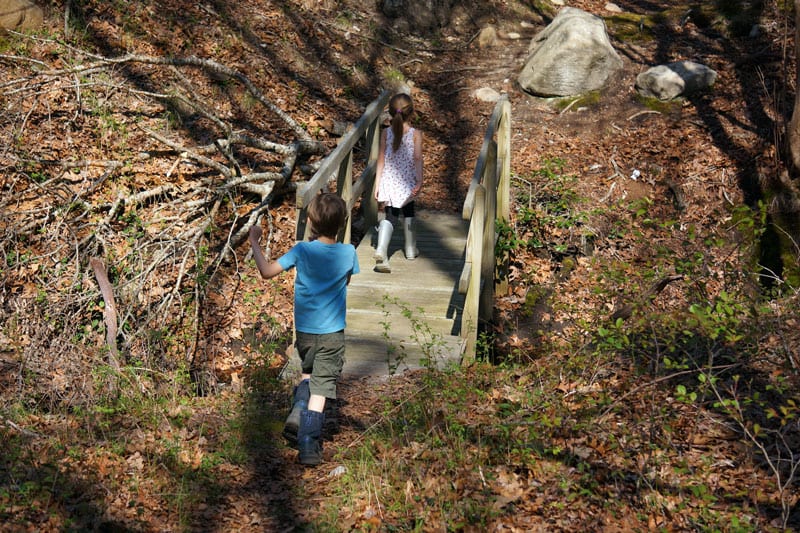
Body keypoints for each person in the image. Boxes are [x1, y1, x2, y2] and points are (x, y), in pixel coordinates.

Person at [248, 192, 359, 466]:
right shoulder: (349, 252)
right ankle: (309, 440)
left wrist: (254, 243)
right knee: (320, 389)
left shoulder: (301, 250)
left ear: (310, 222)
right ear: (342, 223)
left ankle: (298, 411)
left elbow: (267, 271)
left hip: (306, 332)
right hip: (332, 333)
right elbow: (345, 282)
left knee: (308, 374)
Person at [373, 92, 424, 273]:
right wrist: (420, 179)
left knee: (391, 215)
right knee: (409, 211)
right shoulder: (416, 134)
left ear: (391, 112)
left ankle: (381, 249)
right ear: (411, 112)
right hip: (407, 180)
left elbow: (380, 159)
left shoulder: (386, 133)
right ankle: (410, 249)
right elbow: (417, 158)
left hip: (388, 180)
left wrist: (377, 183)